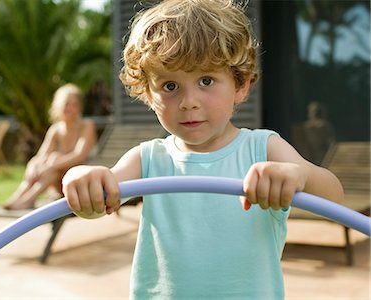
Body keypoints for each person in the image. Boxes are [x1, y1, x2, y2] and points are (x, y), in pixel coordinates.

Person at [62, 1, 344, 299]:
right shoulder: (147, 158)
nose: (189, 102)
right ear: (148, 93)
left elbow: (334, 200)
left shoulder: (263, 148)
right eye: (170, 86)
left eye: (206, 80)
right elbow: (100, 196)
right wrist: (82, 179)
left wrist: (299, 176)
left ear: (241, 85)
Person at [4, 83, 97, 210]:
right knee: (48, 159)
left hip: (78, 182)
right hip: (57, 180)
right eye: (66, 104)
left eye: (74, 105)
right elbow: (41, 155)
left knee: (54, 158)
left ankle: (29, 199)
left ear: (80, 107)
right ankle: (20, 195)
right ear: (58, 106)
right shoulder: (56, 129)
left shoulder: (87, 125)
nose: (69, 108)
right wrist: (32, 166)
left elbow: (79, 156)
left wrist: (51, 164)